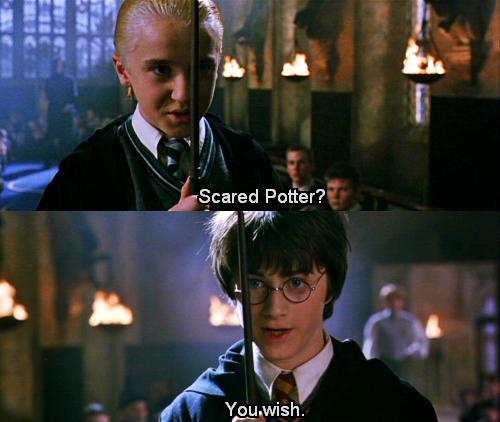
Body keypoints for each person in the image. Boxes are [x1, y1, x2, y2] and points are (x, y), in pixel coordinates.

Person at [162, 212, 438, 421]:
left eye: (296, 283)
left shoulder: (397, 406)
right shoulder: (190, 411)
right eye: (255, 283)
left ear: (330, 288)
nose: (274, 309)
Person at [38, 0, 280, 211]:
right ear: (123, 71)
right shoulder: (83, 174)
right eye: (161, 70)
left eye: (203, 68)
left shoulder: (249, 159)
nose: (184, 95)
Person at [363, 283, 429, 380]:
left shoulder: (409, 321)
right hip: (384, 364)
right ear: (384, 302)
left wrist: (412, 352)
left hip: (404, 364)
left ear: (402, 302)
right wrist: (370, 364)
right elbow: (371, 345)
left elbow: (420, 341)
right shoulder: (377, 322)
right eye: (389, 300)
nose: (394, 303)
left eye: (397, 299)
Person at [44, 59, 78, 165]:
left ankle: (65, 160)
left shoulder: (69, 80)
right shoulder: (49, 80)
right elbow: (48, 95)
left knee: (66, 136)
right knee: (51, 135)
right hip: (54, 111)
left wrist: (69, 105)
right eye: (58, 65)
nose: (60, 67)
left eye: (62, 65)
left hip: (66, 112)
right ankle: (48, 160)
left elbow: (73, 96)